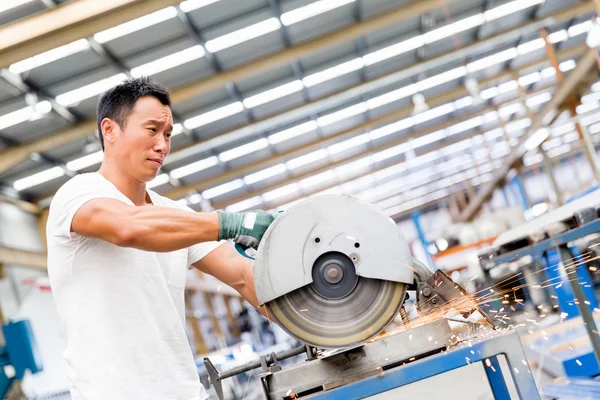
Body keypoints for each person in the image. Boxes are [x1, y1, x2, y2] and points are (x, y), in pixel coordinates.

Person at [46, 77, 277, 400]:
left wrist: (330, 318)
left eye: (168, 134)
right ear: (109, 130)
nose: (163, 145)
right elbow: (130, 228)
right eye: (152, 130)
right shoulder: (78, 194)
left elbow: (242, 275)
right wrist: (232, 223)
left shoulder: (173, 213)